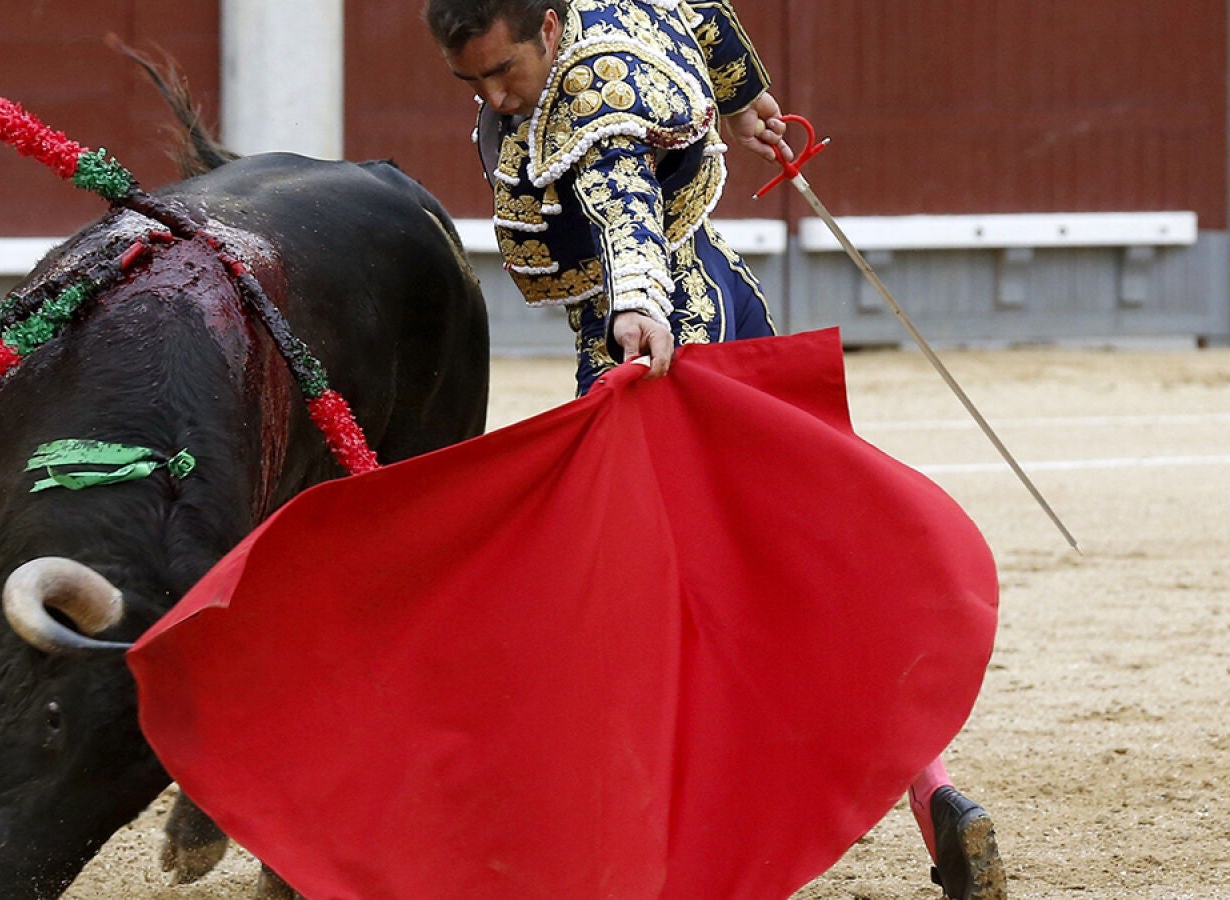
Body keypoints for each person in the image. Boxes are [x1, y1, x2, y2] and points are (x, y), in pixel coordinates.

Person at [421, 1, 1006, 897]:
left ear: (548, 28)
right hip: (728, 296)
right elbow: (692, 7)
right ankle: (934, 792)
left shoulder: (588, 93)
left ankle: (639, 841)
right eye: (473, 81)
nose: (497, 97)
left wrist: (636, 305)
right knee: (803, 565)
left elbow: (622, 199)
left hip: (659, 354)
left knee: (636, 606)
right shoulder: (605, 9)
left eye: (505, 70)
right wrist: (745, 97)